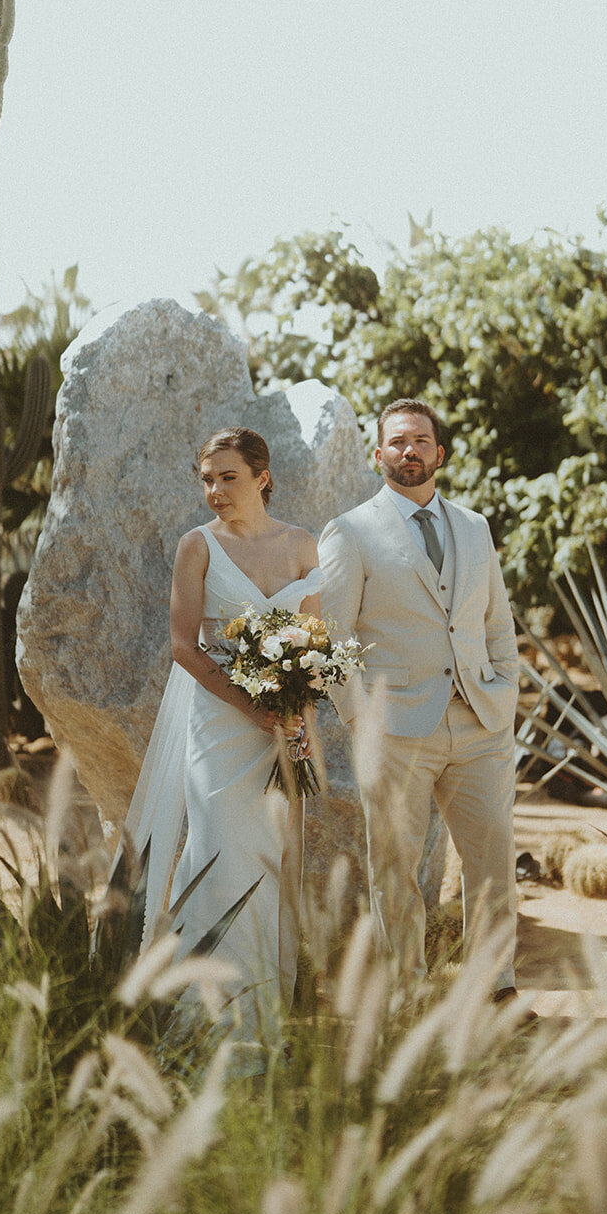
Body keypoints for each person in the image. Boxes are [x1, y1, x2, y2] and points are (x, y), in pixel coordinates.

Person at [123, 427, 320, 1043]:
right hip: (218, 725)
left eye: (227, 477)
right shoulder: (197, 547)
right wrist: (249, 704)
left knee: (270, 862)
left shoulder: (303, 546)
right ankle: (198, 1025)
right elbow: (184, 646)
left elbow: (312, 647)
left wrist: (295, 722)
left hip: (283, 733)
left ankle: (257, 1025)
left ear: (261, 476)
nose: (215, 491)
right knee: (216, 855)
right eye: (206, 479)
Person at [318, 398, 520, 996]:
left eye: (421, 441)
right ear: (378, 454)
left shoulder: (476, 528)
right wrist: (361, 719)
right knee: (395, 870)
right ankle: (406, 992)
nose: (410, 450)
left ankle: (497, 988)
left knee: (493, 865)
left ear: (440, 452)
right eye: (397, 441)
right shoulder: (350, 532)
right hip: (398, 729)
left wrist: (503, 690)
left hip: (480, 722)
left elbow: (497, 624)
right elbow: (332, 638)